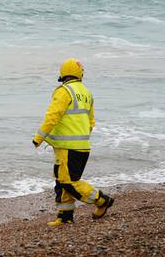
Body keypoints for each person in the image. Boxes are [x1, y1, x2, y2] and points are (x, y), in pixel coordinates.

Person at [32, 58, 114, 226]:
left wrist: (38, 138)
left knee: (69, 182)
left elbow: (52, 116)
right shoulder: (86, 93)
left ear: (63, 73)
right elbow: (91, 122)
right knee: (62, 181)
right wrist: (80, 138)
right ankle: (65, 217)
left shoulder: (64, 91)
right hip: (82, 146)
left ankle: (101, 200)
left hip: (67, 148)